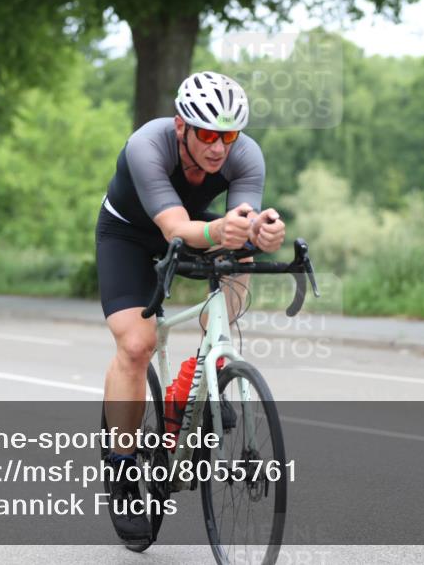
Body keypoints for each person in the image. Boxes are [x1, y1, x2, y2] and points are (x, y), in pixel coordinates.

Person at [96, 71, 286, 545]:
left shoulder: (246, 155)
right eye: (207, 134)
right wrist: (223, 230)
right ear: (181, 125)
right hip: (132, 234)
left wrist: (261, 232)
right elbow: (176, 229)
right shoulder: (148, 145)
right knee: (138, 345)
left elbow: (238, 223)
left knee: (240, 261)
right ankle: (121, 471)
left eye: (228, 135)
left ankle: (198, 378)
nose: (219, 147)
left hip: (199, 227)